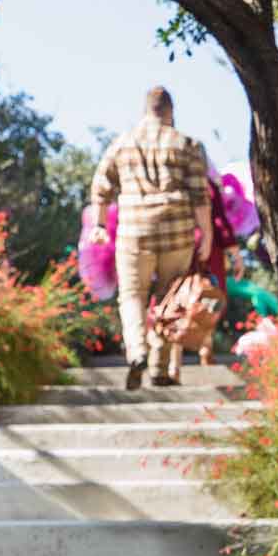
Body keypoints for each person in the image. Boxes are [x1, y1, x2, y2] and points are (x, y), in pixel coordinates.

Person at [89, 87, 212, 389]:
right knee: (170, 300)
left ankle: (136, 351)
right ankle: (158, 368)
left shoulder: (122, 143)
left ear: (146, 109)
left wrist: (100, 224)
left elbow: (101, 185)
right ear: (170, 111)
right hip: (177, 232)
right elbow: (200, 196)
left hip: (134, 232)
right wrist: (206, 234)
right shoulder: (187, 144)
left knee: (132, 295)